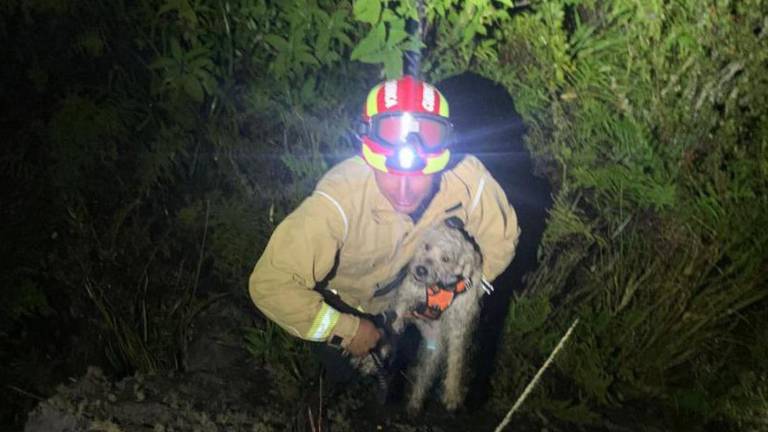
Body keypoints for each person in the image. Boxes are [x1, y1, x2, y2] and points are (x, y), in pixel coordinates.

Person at [248, 75, 519, 376]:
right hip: (346, 307)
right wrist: (347, 330)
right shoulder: (338, 203)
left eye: (419, 175)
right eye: (389, 172)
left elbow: (502, 238)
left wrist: (461, 292)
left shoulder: (467, 180)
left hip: (414, 301)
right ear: (368, 157)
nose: (404, 191)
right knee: (341, 377)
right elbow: (270, 285)